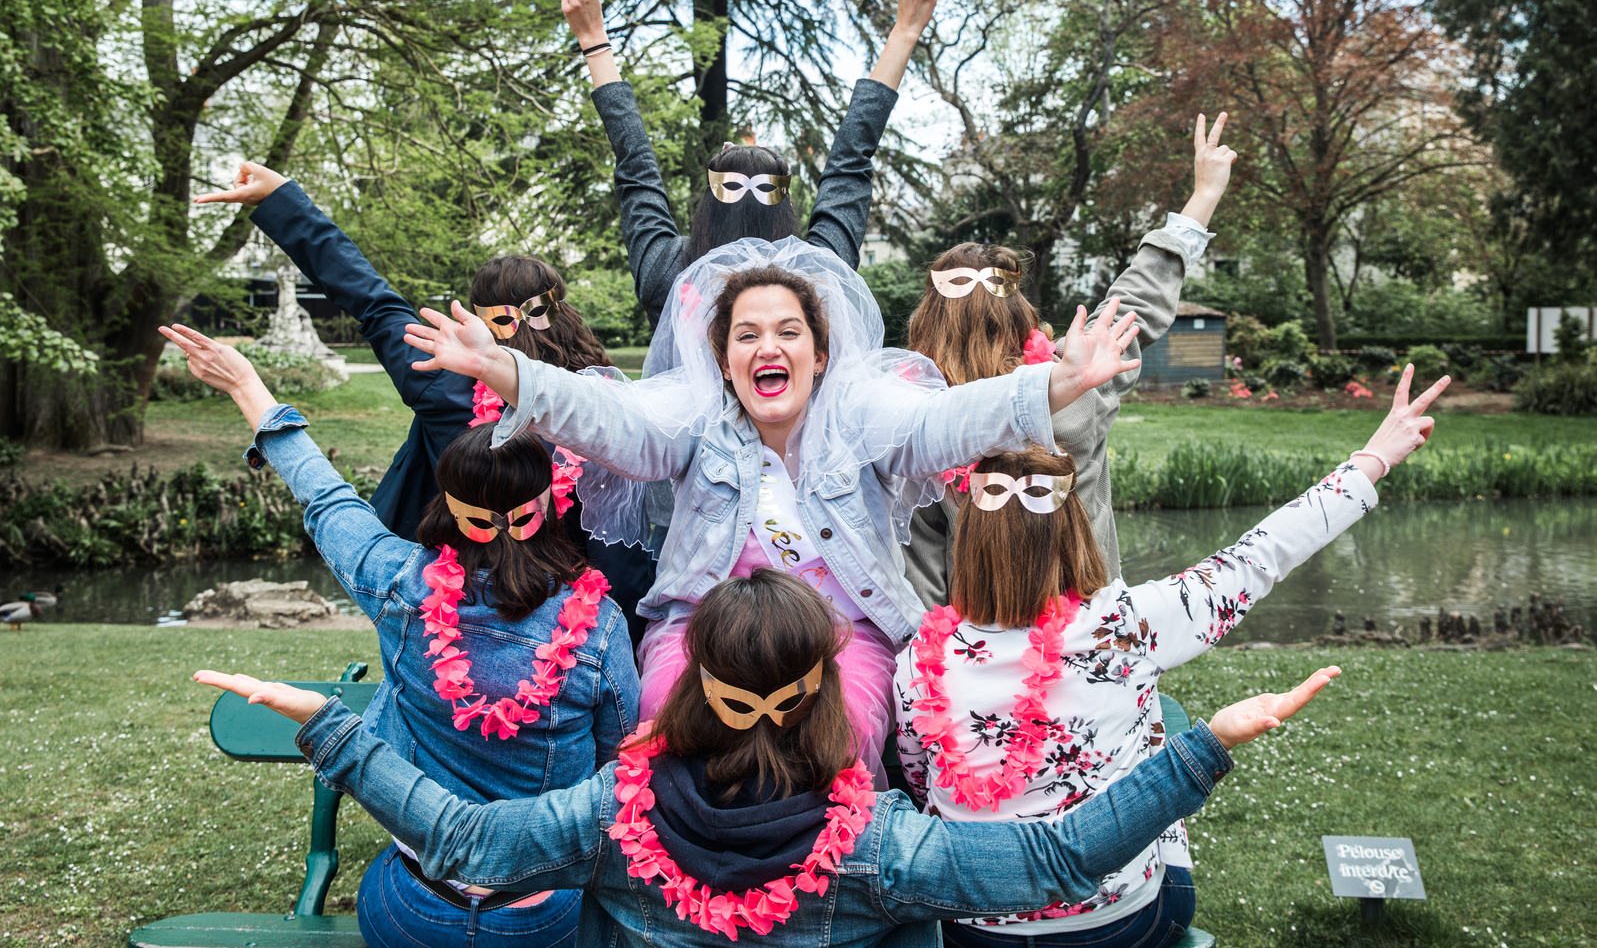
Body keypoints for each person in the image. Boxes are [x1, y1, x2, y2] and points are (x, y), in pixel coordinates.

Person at [196, 569, 1343, 946]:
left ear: (690, 685)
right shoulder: (879, 845)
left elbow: (459, 838)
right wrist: (1203, 747)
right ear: (822, 700)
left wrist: (328, 723)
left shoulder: (616, 810)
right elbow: (1057, 861)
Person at [401, 237, 1143, 784]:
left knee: (841, 745)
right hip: (701, 623)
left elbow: (945, 422)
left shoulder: (862, 410)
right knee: (665, 735)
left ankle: (836, 904)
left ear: (819, 352)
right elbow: (604, 417)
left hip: (840, 631)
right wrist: (499, 362)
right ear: (723, 357)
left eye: (788, 331)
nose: (768, 345)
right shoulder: (694, 416)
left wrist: (1055, 385)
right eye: (747, 334)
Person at [893, 366, 1449, 948]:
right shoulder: (1127, 625)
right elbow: (1256, 559)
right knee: (1157, 717)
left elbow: (918, 779)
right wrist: (1374, 458)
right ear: (1071, 532)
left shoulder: (918, 662)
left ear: (970, 541)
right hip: (1115, 923)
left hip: (971, 926)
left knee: (1147, 715)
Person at [159, 322, 641, 948]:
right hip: (544, 914)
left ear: (446, 504)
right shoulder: (598, 627)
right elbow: (619, 754)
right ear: (547, 505)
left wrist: (248, 385)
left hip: (413, 904)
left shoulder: (397, 583)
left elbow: (326, 499)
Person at [192, 166, 661, 645]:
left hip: (455, 614)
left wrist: (282, 200)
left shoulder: (440, 377)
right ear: (565, 315)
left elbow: (371, 300)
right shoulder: (603, 402)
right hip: (582, 623)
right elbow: (623, 548)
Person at [902, 114, 1237, 603]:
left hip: (975, 646)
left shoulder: (917, 423)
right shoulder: (1080, 380)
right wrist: (1202, 197)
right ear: (1021, 312)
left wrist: (933, 663)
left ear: (928, 319)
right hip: (1093, 636)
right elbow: (1137, 299)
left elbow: (922, 565)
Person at [554, 0, 942, 327]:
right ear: (784, 205)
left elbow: (635, 167)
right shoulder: (817, 272)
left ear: (709, 203)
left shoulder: (666, 269)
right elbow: (850, 161)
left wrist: (594, 40)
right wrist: (904, 32)